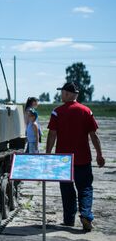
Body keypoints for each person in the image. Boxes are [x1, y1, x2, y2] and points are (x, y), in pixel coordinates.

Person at [46, 82, 105, 232]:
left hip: (62, 159)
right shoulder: (86, 111)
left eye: (62, 92)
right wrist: (99, 154)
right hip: (82, 158)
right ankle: (85, 214)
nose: (61, 95)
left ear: (68, 93)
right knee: (85, 188)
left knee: (66, 189)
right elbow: (94, 135)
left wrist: (48, 154)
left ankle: (69, 219)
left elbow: (52, 135)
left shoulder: (57, 112)